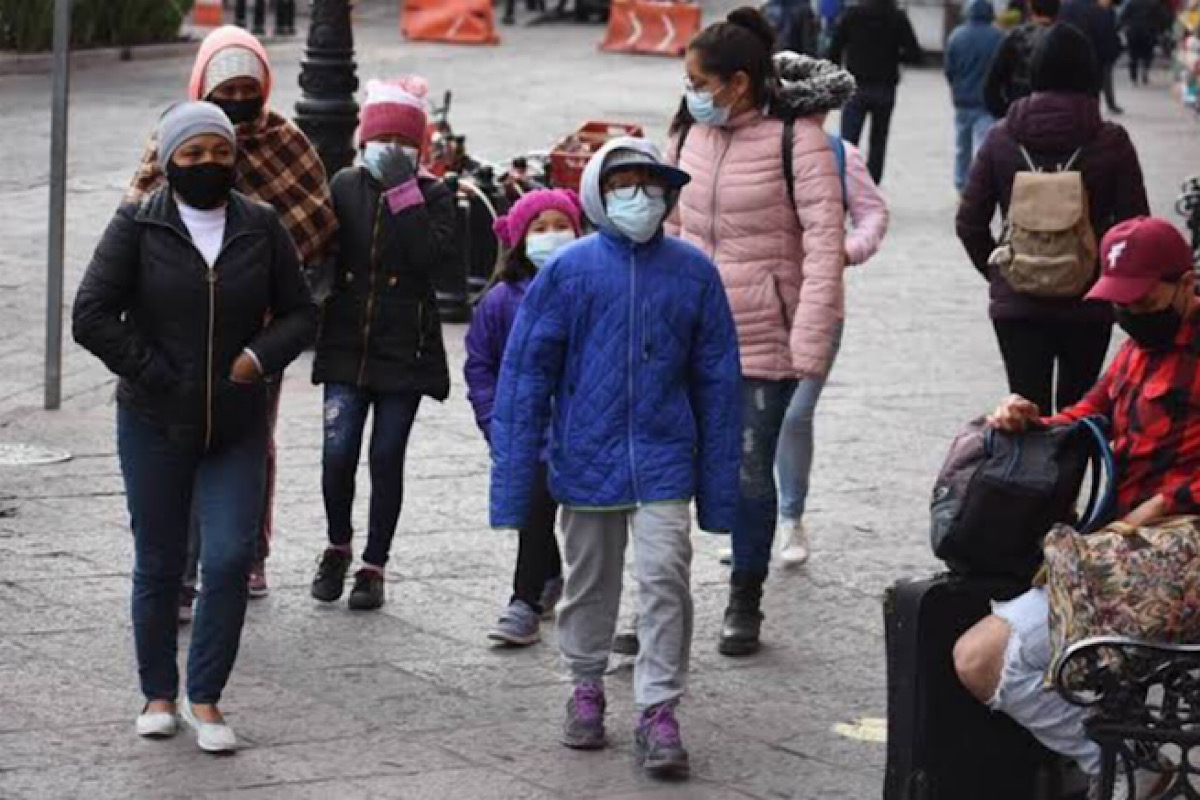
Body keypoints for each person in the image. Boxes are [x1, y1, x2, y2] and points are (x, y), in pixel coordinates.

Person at [489, 137, 741, 779]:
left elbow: (718, 380)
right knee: (588, 584)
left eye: (650, 184)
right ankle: (586, 686)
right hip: (585, 457)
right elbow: (524, 377)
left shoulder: (694, 273)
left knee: (665, 581)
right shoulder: (568, 272)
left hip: (663, 457)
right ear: (600, 193)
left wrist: (718, 487)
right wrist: (517, 481)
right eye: (624, 183)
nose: (640, 196)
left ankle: (659, 709)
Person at [72, 102, 317, 753]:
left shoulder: (261, 226)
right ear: (170, 158)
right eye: (193, 153)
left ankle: (205, 698)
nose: (207, 164)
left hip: (235, 424)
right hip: (154, 421)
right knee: (158, 561)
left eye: (218, 152)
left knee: (232, 556)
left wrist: (256, 358)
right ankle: (158, 694)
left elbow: (300, 312)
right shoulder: (138, 224)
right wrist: (155, 373)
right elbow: (91, 313)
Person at [953, 216, 1197, 800]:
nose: (1130, 312)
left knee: (985, 659)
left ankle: (1126, 775)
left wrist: (1163, 505)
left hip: (1167, 559)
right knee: (977, 659)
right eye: (1120, 301)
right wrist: (1028, 417)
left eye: (1143, 298)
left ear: (1186, 284)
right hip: (1112, 550)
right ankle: (1131, 773)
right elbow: (1090, 411)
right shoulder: (1138, 349)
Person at [128, 26, 337, 606]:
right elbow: (136, 220)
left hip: (256, 326)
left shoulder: (286, 142)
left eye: (249, 87)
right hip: (177, 327)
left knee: (250, 442)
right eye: (227, 87)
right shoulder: (175, 139)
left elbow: (314, 220)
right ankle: (180, 570)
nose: (238, 99)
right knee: (178, 443)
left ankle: (247, 554)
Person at [670, 8, 846, 656]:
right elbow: (667, 224)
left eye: (698, 81)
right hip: (688, 332)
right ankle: (659, 594)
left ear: (737, 82)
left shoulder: (796, 138)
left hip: (763, 332)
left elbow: (825, 246)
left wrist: (809, 339)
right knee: (664, 467)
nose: (689, 91)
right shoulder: (688, 129)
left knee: (748, 471)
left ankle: (746, 596)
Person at [308, 77, 456, 611]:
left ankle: (374, 564)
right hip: (347, 341)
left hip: (404, 349)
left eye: (402, 143)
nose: (389, 151)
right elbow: (320, 239)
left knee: (387, 455)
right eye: (380, 140)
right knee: (336, 451)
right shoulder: (345, 183)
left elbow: (432, 260)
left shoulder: (437, 195)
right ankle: (337, 543)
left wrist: (404, 194)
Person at [956, 23, 1149, 417]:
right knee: (1077, 415)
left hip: (1018, 304)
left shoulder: (1000, 137)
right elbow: (1136, 227)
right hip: (1090, 299)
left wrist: (1002, 270)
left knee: (1027, 413)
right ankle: (1070, 479)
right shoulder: (1112, 141)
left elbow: (969, 221)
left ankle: (1030, 479)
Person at [772, 53, 890, 567]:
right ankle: (756, 520)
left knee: (794, 414)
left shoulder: (840, 155)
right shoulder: (758, 154)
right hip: (757, 301)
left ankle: (791, 517)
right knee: (755, 416)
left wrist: (848, 250)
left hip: (821, 303)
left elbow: (872, 214)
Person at [464, 189, 583, 646]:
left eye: (561, 225)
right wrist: (494, 419)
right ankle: (525, 599)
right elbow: (480, 364)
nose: (552, 236)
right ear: (518, 240)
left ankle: (543, 584)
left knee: (562, 514)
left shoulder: (588, 289)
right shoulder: (499, 301)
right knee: (534, 508)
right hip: (524, 427)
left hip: (580, 426)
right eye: (540, 227)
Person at [827, 0, 923, 183]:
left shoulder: (852, 14)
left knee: (848, 141)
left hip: (855, 86)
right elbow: (914, 54)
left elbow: (833, 50)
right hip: (885, 88)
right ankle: (871, 185)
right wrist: (894, 56)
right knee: (878, 142)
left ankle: (844, 182)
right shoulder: (897, 16)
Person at [945, 0, 1004, 194]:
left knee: (962, 147)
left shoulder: (956, 36)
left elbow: (949, 70)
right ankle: (982, 186)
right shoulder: (998, 37)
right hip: (987, 102)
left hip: (963, 100)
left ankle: (961, 184)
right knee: (983, 146)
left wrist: (957, 87)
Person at [983, 0, 1060, 119]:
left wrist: (1006, 115)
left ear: (1030, 7)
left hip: (1021, 116)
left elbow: (991, 84)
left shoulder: (1014, 37)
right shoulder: (1070, 39)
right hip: (1057, 120)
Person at [1061, 0, 1125, 114]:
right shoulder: (1100, 11)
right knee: (1090, 100)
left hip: (1065, 59)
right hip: (1093, 62)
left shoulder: (1064, 7)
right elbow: (1108, 39)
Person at [1120, 0, 1170, 84]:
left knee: (1133, 55)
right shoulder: (1153, 4)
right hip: (1148, 33)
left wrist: (1124, 26)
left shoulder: (1131, 4)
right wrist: (1162, 29)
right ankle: (1145, 71)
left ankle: (1133, 77)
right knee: (1148, 54)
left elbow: (1123, 17)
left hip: (1133, 33)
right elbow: (1163, 17)